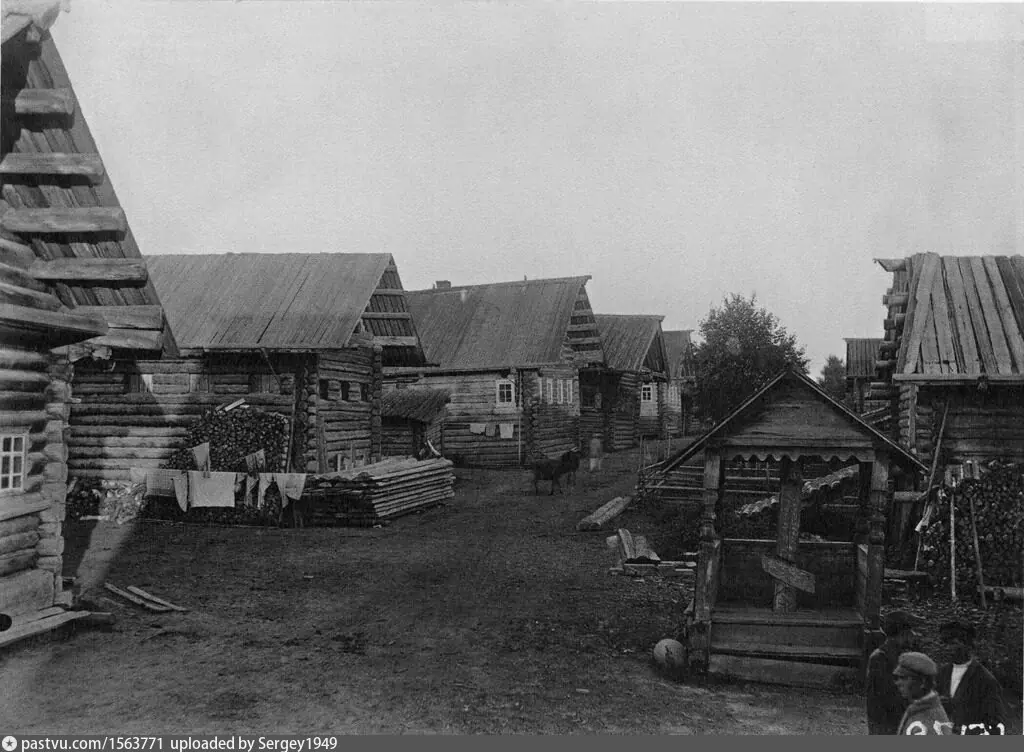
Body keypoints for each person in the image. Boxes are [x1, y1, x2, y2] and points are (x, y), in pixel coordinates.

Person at [936, 618, 1007, 735]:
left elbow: (995, 726)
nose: (947, 648)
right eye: (944, 643)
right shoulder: (942, 673)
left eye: (953, 643)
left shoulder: (985, 680)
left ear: (968, 644)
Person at [865, 610, 925, 734]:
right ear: (902, 634)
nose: (913, 636)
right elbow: (887, 697)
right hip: (886, 726)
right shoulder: (880, 658)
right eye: (910, 632)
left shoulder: (900, 656)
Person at [894, 651, 952, 735]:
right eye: (898, 678)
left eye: (904, 678)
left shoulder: (928, 723)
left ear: (922, 682)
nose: (898, 683)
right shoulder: (919, 707)